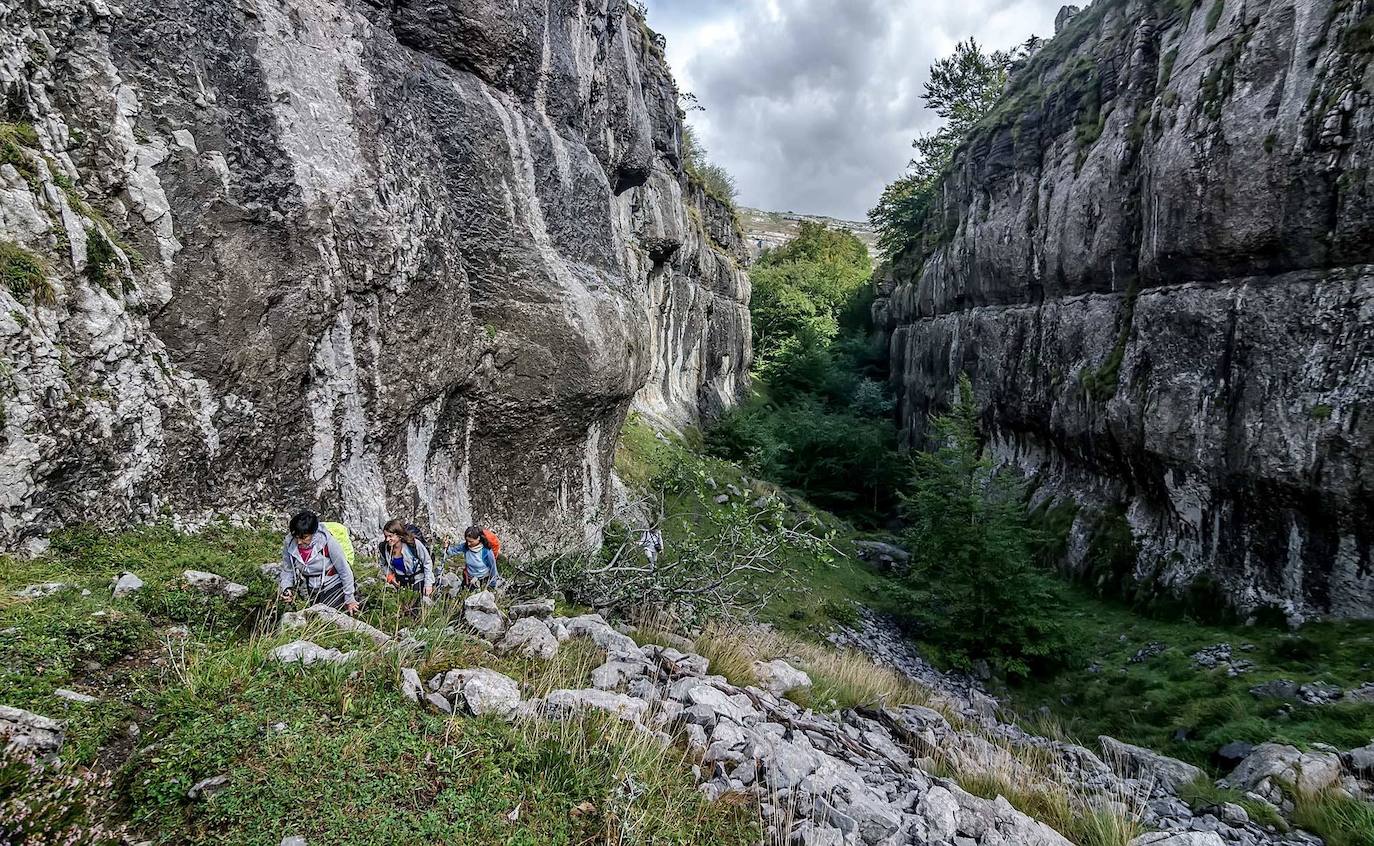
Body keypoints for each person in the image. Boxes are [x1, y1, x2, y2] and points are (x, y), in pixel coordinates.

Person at [280, 510, 358, 613]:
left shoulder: (328, 542)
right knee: (315, 617)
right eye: (296, 537)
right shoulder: (289, 544)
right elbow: (288, 570)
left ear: (314, 533)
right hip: (312, 587)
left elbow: (344, 570)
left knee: (326, 617)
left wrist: (349, 598)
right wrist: (286, 588)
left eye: (304, 537)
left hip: (334, 584)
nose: (299, 542)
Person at [378, 518, 434, 613]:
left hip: (418, 579)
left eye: (390, 536)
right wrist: (390, 577)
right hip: (401, 582)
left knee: (414, 608)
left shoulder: (413, 544)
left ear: (399, 535)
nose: (387, 539)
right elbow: (384, 564)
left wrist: (428, 584)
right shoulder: (384, 548)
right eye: (386, 536)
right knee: (402, 607)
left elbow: (427, 562)